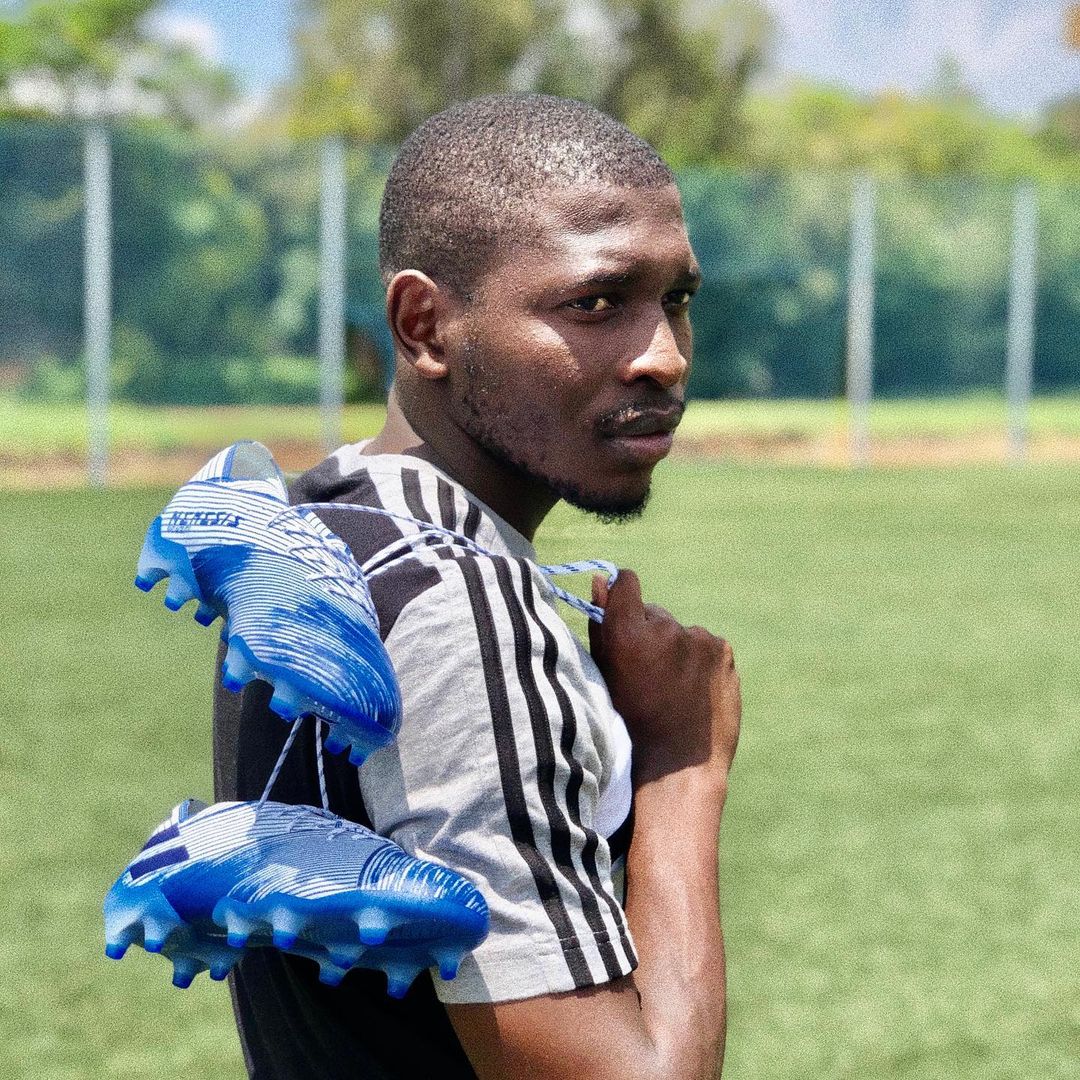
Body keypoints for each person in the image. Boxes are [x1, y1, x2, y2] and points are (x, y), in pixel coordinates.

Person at [214, 93, 741, 1080]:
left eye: (676, 299)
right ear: (426, 325)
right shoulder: (456, 603)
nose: (664, 355)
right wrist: (683, 764)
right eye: (595, 303)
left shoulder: (319, 521)